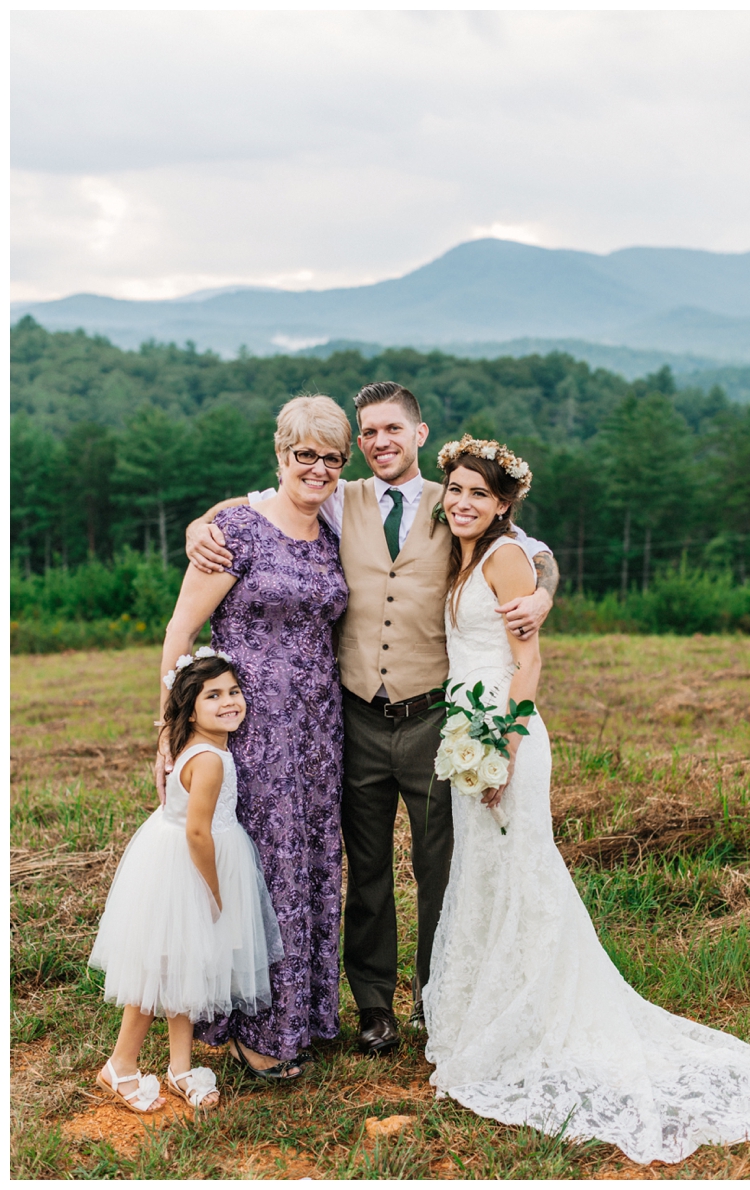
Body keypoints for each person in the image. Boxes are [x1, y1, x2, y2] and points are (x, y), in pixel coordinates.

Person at [423, 435, 750, 1165]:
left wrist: (505, 745)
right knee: (490, 878)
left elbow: (528, 657)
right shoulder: (466, 551)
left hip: (502, 732)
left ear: (502, 506)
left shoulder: (502, 556)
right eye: (455, 490)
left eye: (477, 494)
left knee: (525, 874)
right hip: (469, 724)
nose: (462, 503)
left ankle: (537, 1018)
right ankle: (492, 1013)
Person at [185, 382, 560, 1055]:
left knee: (439, 861)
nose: (380, 442)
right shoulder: (341, 500)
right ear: (358, 444)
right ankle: (374, 1004)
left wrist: (545, 595)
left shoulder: (455, 504)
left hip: (433, 716)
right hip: (353, 715)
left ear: (419, 435)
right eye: (369, 433)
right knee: (365, 866)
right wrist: (200, 524)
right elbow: (263, 503)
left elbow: (528, 549)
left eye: (393, 429)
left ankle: (440, 994)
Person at [157, 394, 350, 1078]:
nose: (319, 468)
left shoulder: (332, 531)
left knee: (311, 866)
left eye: (332, 457)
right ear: (282, 454)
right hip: (249, 731)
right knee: (260, 870)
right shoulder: (234, 529)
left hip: (318, 735)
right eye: (306, 454)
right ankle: (250, 1026)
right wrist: (173, 736)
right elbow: (181, 634)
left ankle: (303, 1012)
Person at [90, 651, 283, 1113]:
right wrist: (215, 890)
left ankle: (180, 1066)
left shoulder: (198, 746)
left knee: (187, 971)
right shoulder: (211, 761)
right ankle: (120, 1064)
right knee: (159, 974)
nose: (229, 701)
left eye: (233, 691)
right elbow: (198, 832)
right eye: (213, 695)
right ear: (189, 706)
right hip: (192, 869)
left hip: (177, 859)